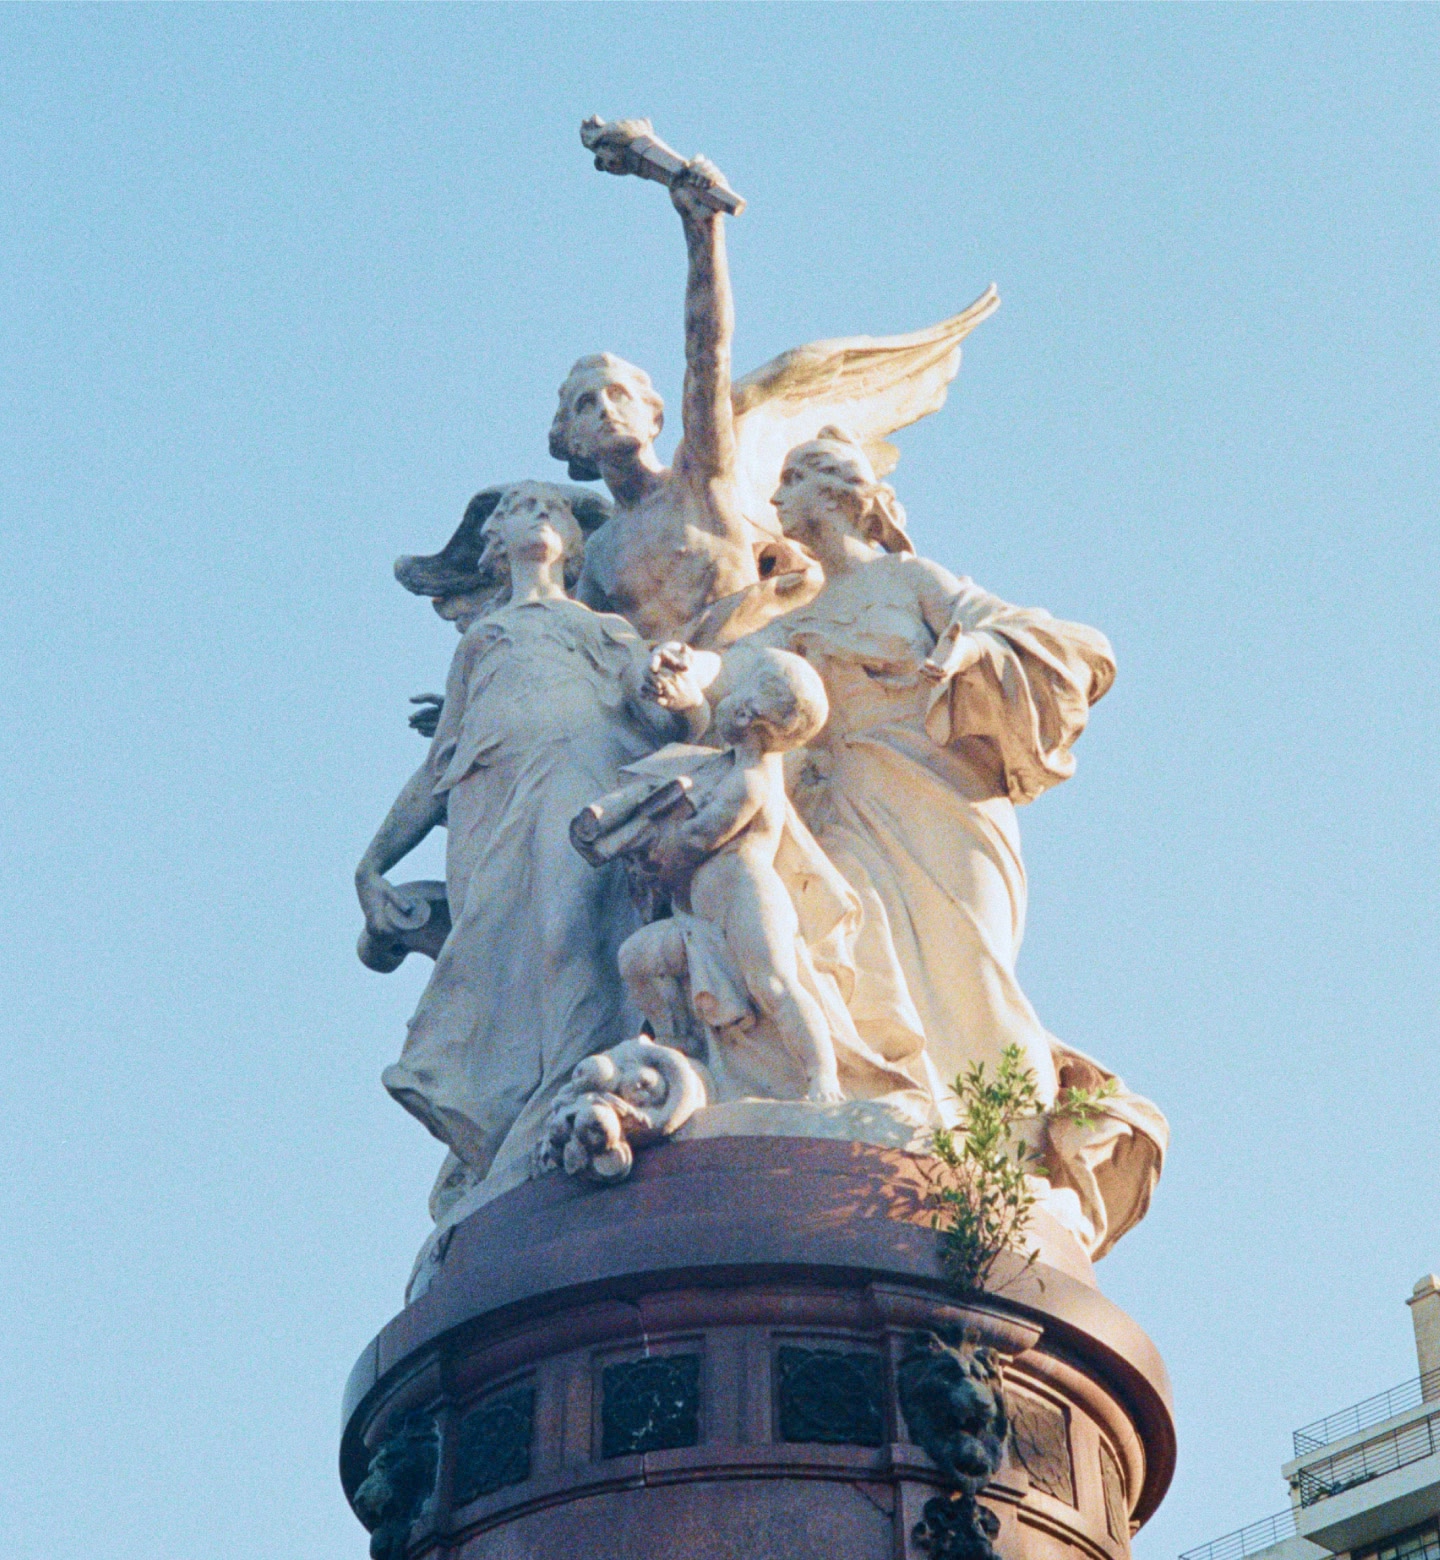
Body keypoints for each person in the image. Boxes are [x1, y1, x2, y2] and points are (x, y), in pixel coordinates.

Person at [649, 428, 1115, 1108]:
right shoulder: (794, 622)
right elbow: (739, 671)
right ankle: (895, 1096)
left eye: (791, 482)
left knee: (970, 966)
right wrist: (692, 669)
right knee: (863, 951)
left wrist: (972, 651)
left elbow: (1064, 645)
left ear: (834, 493)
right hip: (845, 804)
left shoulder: (911, 580)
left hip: (945, 795)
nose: (775, 497)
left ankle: (1005, 1141)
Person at [354, 481, 679, 1197]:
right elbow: (439, 764)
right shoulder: (483, 639)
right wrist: (374, 863)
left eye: (551, 508)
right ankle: (518, 1113)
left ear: (573, 538)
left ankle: (576, 1091)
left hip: (578, 780)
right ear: (494, 546)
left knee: (571, 929)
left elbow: (661, 712)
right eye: (517, 512)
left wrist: (674, 684)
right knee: (504, 949)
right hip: (486, 805)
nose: (536, 517)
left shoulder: (603, 630)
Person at [548, 160, 765, 640]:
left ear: (654, 418)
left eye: (619, 395)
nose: (605, 409)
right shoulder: (599, 552)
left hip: (742, 661)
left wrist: (703, 229)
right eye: (586, 405)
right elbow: (576, 652)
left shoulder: (701, 476)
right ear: (573, 444)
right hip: (663, 700)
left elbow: (708, 351)